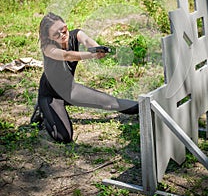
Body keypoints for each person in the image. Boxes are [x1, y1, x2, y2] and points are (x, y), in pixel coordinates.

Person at [31, 12, 138, 143]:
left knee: (111, 103)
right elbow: (67, 55)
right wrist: (91, 55)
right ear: (49, 36)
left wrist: (97, 48)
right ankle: (42, 110)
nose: (62, 35)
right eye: (56, 34)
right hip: (51, 95)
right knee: (64, 137)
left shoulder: (75, 34)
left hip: (70, 90)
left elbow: (87, 41)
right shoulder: (48, 48)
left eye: (63, 29)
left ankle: (145, 106)